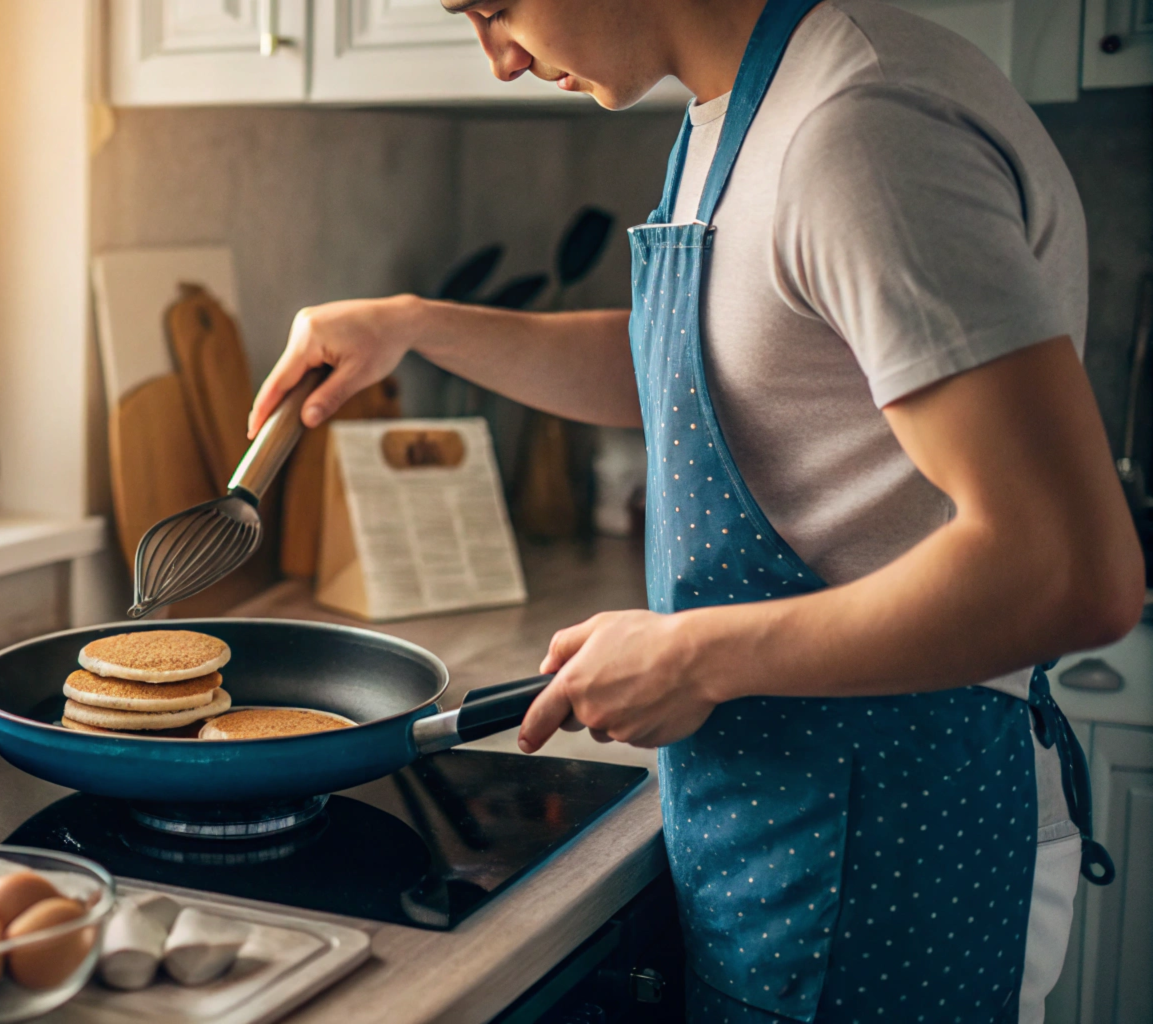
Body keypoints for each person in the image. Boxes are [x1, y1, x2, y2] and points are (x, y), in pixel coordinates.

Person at [247, 0, 1143, 1019]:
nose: (496, 60)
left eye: (493, 9)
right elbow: (716, 367)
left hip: (886, 843)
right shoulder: (741, 108)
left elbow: (1065, 568)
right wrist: (414, 327)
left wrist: (692, 656)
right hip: (782, 823)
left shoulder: (860, 128)